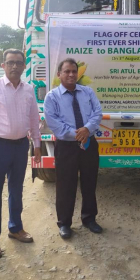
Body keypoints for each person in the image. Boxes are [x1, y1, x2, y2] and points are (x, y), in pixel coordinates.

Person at [0, 49, 42, 259]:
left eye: (18, 63)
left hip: (20, 146)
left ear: (24, 66)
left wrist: (37, 144)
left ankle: (15, 227)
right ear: (3, 65)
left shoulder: (28, 89)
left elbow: (33, 118)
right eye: (10, 62)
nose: (14, 66)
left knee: (16, 190)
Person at [43, 58, 103, 239]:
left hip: (89, 144)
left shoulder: (88, 92)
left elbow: (97, 113)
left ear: (78, 74)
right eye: (67, 71)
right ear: (59, 74)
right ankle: (64, 224)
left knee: (89, 183)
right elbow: (54, 123)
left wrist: (87, 130)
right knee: (65, 186)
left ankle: (89, 219)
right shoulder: (51, 97)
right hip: (66, 147)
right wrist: (78, 134)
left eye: (74, 72)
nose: (71, 75)